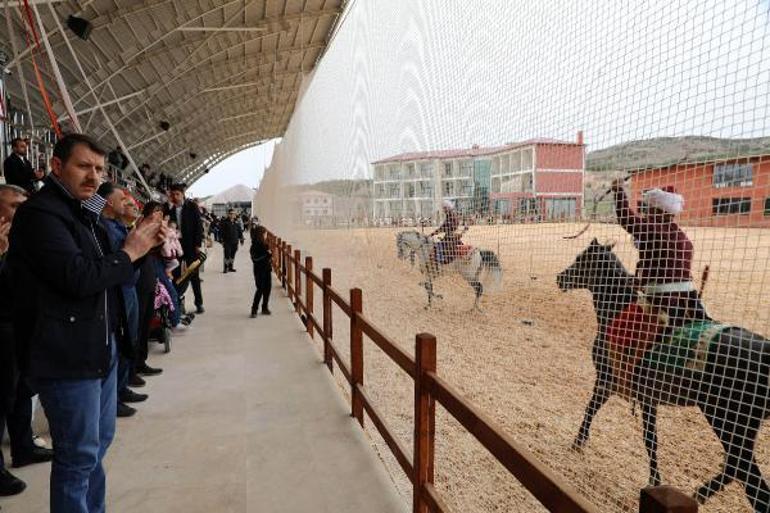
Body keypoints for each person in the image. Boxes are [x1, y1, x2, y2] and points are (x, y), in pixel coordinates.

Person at [7, 133, 166, 513]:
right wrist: (131, 250)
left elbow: (111, 272)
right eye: (84, 166)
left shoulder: (84, 215)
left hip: (99, 349)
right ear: (56, 167)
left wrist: (140, 250)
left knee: (95, 447)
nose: (94, 176)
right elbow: (77, 277)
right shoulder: (41, 214)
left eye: (98, 169)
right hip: (67, 356)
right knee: (77, 457)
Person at [0, 184, 54, 499]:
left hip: (21, 327)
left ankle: (23, 446)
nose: (23, 211)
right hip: (3, 328)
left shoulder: (25, 238)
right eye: (15, 206)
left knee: (21, 391)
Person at [611, 178, 709, 327]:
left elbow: (626, 218)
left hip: (661, 299)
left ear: (657, 209)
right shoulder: (684, 237)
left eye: (649, 207)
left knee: (620, 328)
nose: (646, 211)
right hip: (689, 299)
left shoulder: (653, 228)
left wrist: (619, 191)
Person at [97, 182, 149, 417]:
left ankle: (123, 386)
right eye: (122, 199)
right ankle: (114, 397)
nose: (128, 203)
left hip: (130, 286)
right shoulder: (103, 228)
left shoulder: (118, 226)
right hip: (119, 289)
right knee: (119, 341)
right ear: (108, 202)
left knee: (130, 337)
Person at [165, 183, 205, 313]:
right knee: (177, 275)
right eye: (173, 194)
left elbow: (198, 226)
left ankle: (199, 303)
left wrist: (198, 244)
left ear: (183, 194)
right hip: (175, 246)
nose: (175, 197)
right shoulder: (168, 208)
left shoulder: (192, 206)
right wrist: (169, 207)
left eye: (178, 194)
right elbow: (164, 223)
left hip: (190, 245)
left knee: (193, 274)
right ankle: (179, 301)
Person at [428, 199, 463, 265]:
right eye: (443, 208)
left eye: (444, 208)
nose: (443, 210)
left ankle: (440, 260)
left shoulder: (451, 216)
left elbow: (444, 227)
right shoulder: (451, 215)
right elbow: (444, 227)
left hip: (450, 237)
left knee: (438, 245)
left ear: (448, 208)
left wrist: (433, 234)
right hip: (451, 236)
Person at [249, 225, 272, 317]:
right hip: (259, 270)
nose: (266, 235)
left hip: (267, 269)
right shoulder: (254, 246)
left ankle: (265, 307)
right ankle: (254, 309)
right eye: (265, 233)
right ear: (261, 234)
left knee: (268, 289)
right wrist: (267, 254)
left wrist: (269, 255)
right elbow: (255, 259)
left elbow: (268, 256)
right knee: (260, 289)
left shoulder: (265, 244)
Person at [219, 209, 243, 273]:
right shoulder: (224, 222)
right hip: (227, 242)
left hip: (235, 242)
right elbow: (221, 232)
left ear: (235, 215)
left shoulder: (237, 223)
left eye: (233, 214)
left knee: (232, 256)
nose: (232, 215)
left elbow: (239, 231)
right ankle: (225, 268)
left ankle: (230, 267)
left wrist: (241, 239)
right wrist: (221, 240)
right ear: (228, 214)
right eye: (231, 213)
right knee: (227, 255)